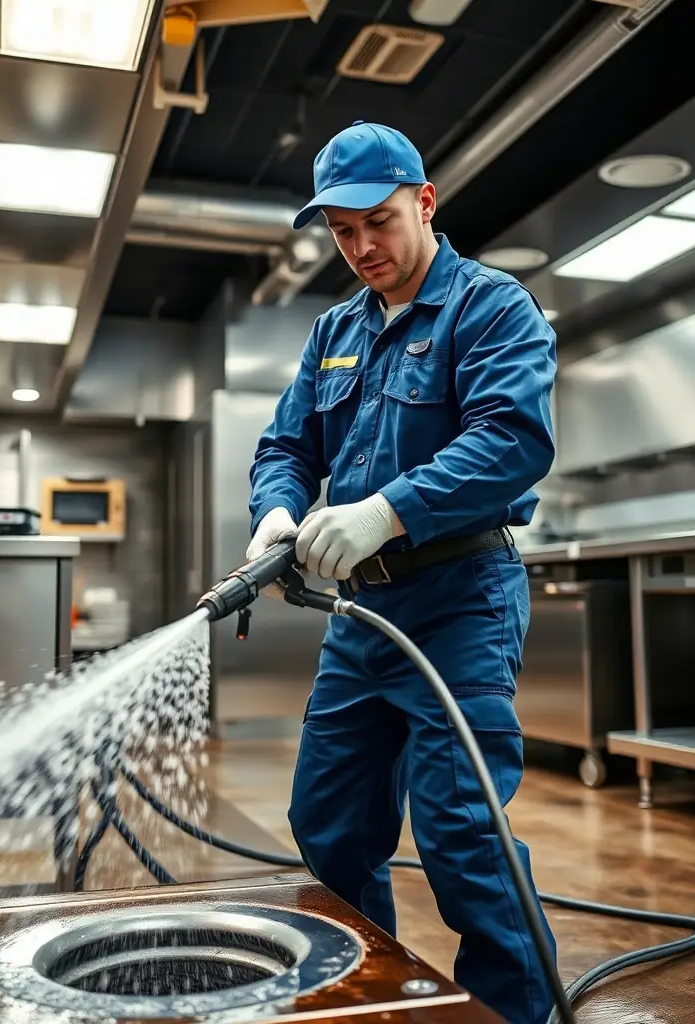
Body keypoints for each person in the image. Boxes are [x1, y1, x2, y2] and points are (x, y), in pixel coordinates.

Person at [245, 121, 558, 1024]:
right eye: (342, 232)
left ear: (424, 202)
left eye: (378, 222)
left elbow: (513, 440)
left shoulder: (489, 308)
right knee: (329, 824)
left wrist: (386, 511)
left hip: (460, 601)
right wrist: (276, 507)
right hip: (363, 616)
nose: (362, 247)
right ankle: (365, 1000)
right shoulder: (335, 330)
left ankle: (514, 1010)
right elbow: (287, 445)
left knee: (462, 831)